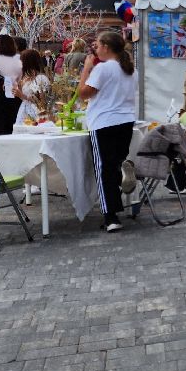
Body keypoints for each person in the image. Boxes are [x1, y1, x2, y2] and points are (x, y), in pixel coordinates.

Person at [77, 30, 136, 232]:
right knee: (113, 165)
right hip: (126, 120)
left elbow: (83, 94)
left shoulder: (103, 69)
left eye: (98, 45)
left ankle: (110, 215)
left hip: (104, 122)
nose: (96, 49)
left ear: (106, 47)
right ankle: (122, 177)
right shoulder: (129, 69)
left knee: (103, 169)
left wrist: (86, 69)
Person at [13, 49, 52, 125]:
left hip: (36, 112)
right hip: (25, 110)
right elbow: (25, 98)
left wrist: (22, 95)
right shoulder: (27, 78)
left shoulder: (40, 78)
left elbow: (42, 101)